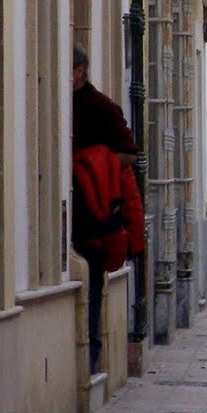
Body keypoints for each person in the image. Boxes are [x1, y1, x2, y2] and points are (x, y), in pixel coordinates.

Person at [70, 48, 137, 373]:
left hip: (94, 213)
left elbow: (128, 154)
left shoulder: (102, 108)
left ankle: (92, 354)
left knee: (94, 279)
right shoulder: (61, 101)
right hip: (73, 210)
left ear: (80, 70)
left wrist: (92, 162)